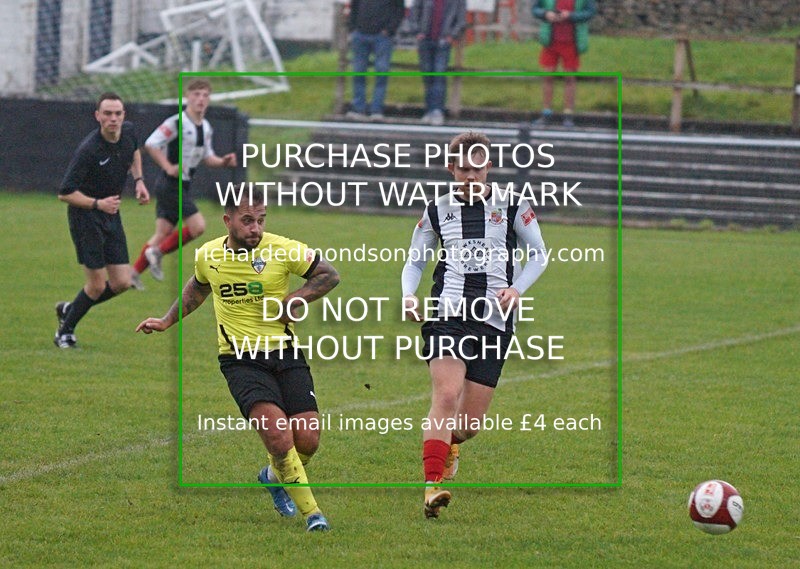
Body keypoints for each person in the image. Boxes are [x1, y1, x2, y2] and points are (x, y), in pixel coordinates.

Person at [136, 191, 339, 532]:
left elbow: (328, 275)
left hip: (285, 353)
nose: (255, 228)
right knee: (278, 437)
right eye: (247, 220)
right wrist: (166, 320)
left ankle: (272, 476)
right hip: (240, 360)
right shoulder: (208, 255)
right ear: (227, 221)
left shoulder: (283, 248)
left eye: (261, 220)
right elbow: (198, 287)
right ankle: (313, 514)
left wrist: (296, 298)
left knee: (308, 440)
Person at [401, 131, 548, 518]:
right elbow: (416, 260)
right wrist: (408, 294)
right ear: (451, 169)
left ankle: (451, 446)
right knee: (446, 395)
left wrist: (516, 289)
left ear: (489, 167)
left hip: (495, 321)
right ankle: (432, 487)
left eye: (478, 169)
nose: (471, 176)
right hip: (447, 314)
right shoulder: (437, 209)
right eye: (463, 169)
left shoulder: (513, 205)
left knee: (466, 426)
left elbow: (539, 255)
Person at [54, 92, 150, 349]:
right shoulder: (89, 149)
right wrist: (98, 203)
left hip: (111, 215)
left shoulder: (128, 133)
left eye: (117, 113)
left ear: (123, 116)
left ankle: (71, 310)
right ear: (98, 116)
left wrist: (139, 181)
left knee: (122, 282)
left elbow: (135, 152)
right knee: (95, 286)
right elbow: (65, 193)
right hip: (86, 218)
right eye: (107, 113)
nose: (113, 118)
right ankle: (65, 332)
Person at [130, 78, 237, 289]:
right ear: (187, 97)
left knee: (162, 233)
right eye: (196, 94)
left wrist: (223, 161)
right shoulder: (177, 122)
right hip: (171, 184)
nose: (201, 99)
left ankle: (133, 273)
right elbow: (152, 144)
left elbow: (208, 157)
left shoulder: (205, 127)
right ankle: (157, 253)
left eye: (205, 95)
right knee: (198, 227)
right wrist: (168, 166)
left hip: (183, 184)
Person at [532, 0, 597, 127]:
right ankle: (546, 112)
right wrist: (546, 14)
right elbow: (535, 9)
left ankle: (568, 114)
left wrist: (571, 16)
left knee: (570, 78)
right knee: (548, 76)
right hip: (551, 41)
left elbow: (590, 11)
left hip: (571, 42)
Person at [345, 0, 406, 121]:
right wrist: (353, 28)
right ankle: (358, 108)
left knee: (381, 73)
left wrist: (389, 30)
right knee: (358, 72)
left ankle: (376, 109)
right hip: (360, 35)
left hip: (382, 37)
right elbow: (354, 7)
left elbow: (399, 11)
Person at [409, 0, 466, 126]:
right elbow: (414, 12)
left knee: (439, 75)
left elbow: (461, 20)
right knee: (427, 76)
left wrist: (451, 36)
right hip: (426, 40)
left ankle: (437, 110)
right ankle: (429, 109)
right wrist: (417, 32)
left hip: (443, 41)